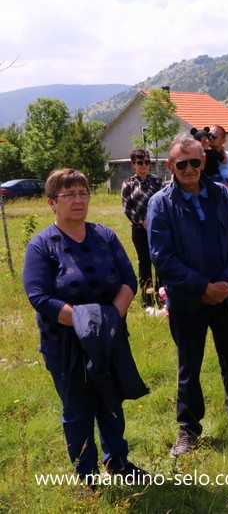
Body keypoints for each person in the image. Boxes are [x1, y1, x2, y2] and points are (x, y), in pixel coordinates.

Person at [147, 135, 228, 458]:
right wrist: (203, 288)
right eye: (182, 163)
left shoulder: (220, 195)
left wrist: (226, 283)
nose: (189, 169)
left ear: (203, 162)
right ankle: (188, 429)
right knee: (189, 365)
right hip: (188, 300)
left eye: (194, 162)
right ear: (170, 166)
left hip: (227, 295)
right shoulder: (160, 204)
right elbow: (163, 257)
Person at [23, 169, 148, 484]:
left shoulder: (105, 235)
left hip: (109, 338)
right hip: (64, 344)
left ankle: (118, 461)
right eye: (69, 195)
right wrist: (83, 324)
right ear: (52, 203)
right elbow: (39, 296)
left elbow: (129, 281)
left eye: (83, 193)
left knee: (111, 402)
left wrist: (109, 322)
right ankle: (86, 475)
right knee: (78, 409)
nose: (78, 200)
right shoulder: (42, 246)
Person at [121, 149, 164, 313]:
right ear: (133, 164)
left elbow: (164, 204)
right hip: (139, 230)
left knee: (159, 262)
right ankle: (147, 301)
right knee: (144, 263)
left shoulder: (158, 181)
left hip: (158, 229)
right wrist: (141, 221)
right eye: (140, 162)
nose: (144, 165)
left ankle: (162, 299)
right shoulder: (128, 184)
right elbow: (127, 208)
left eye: (147, 162)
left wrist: (154, 222)